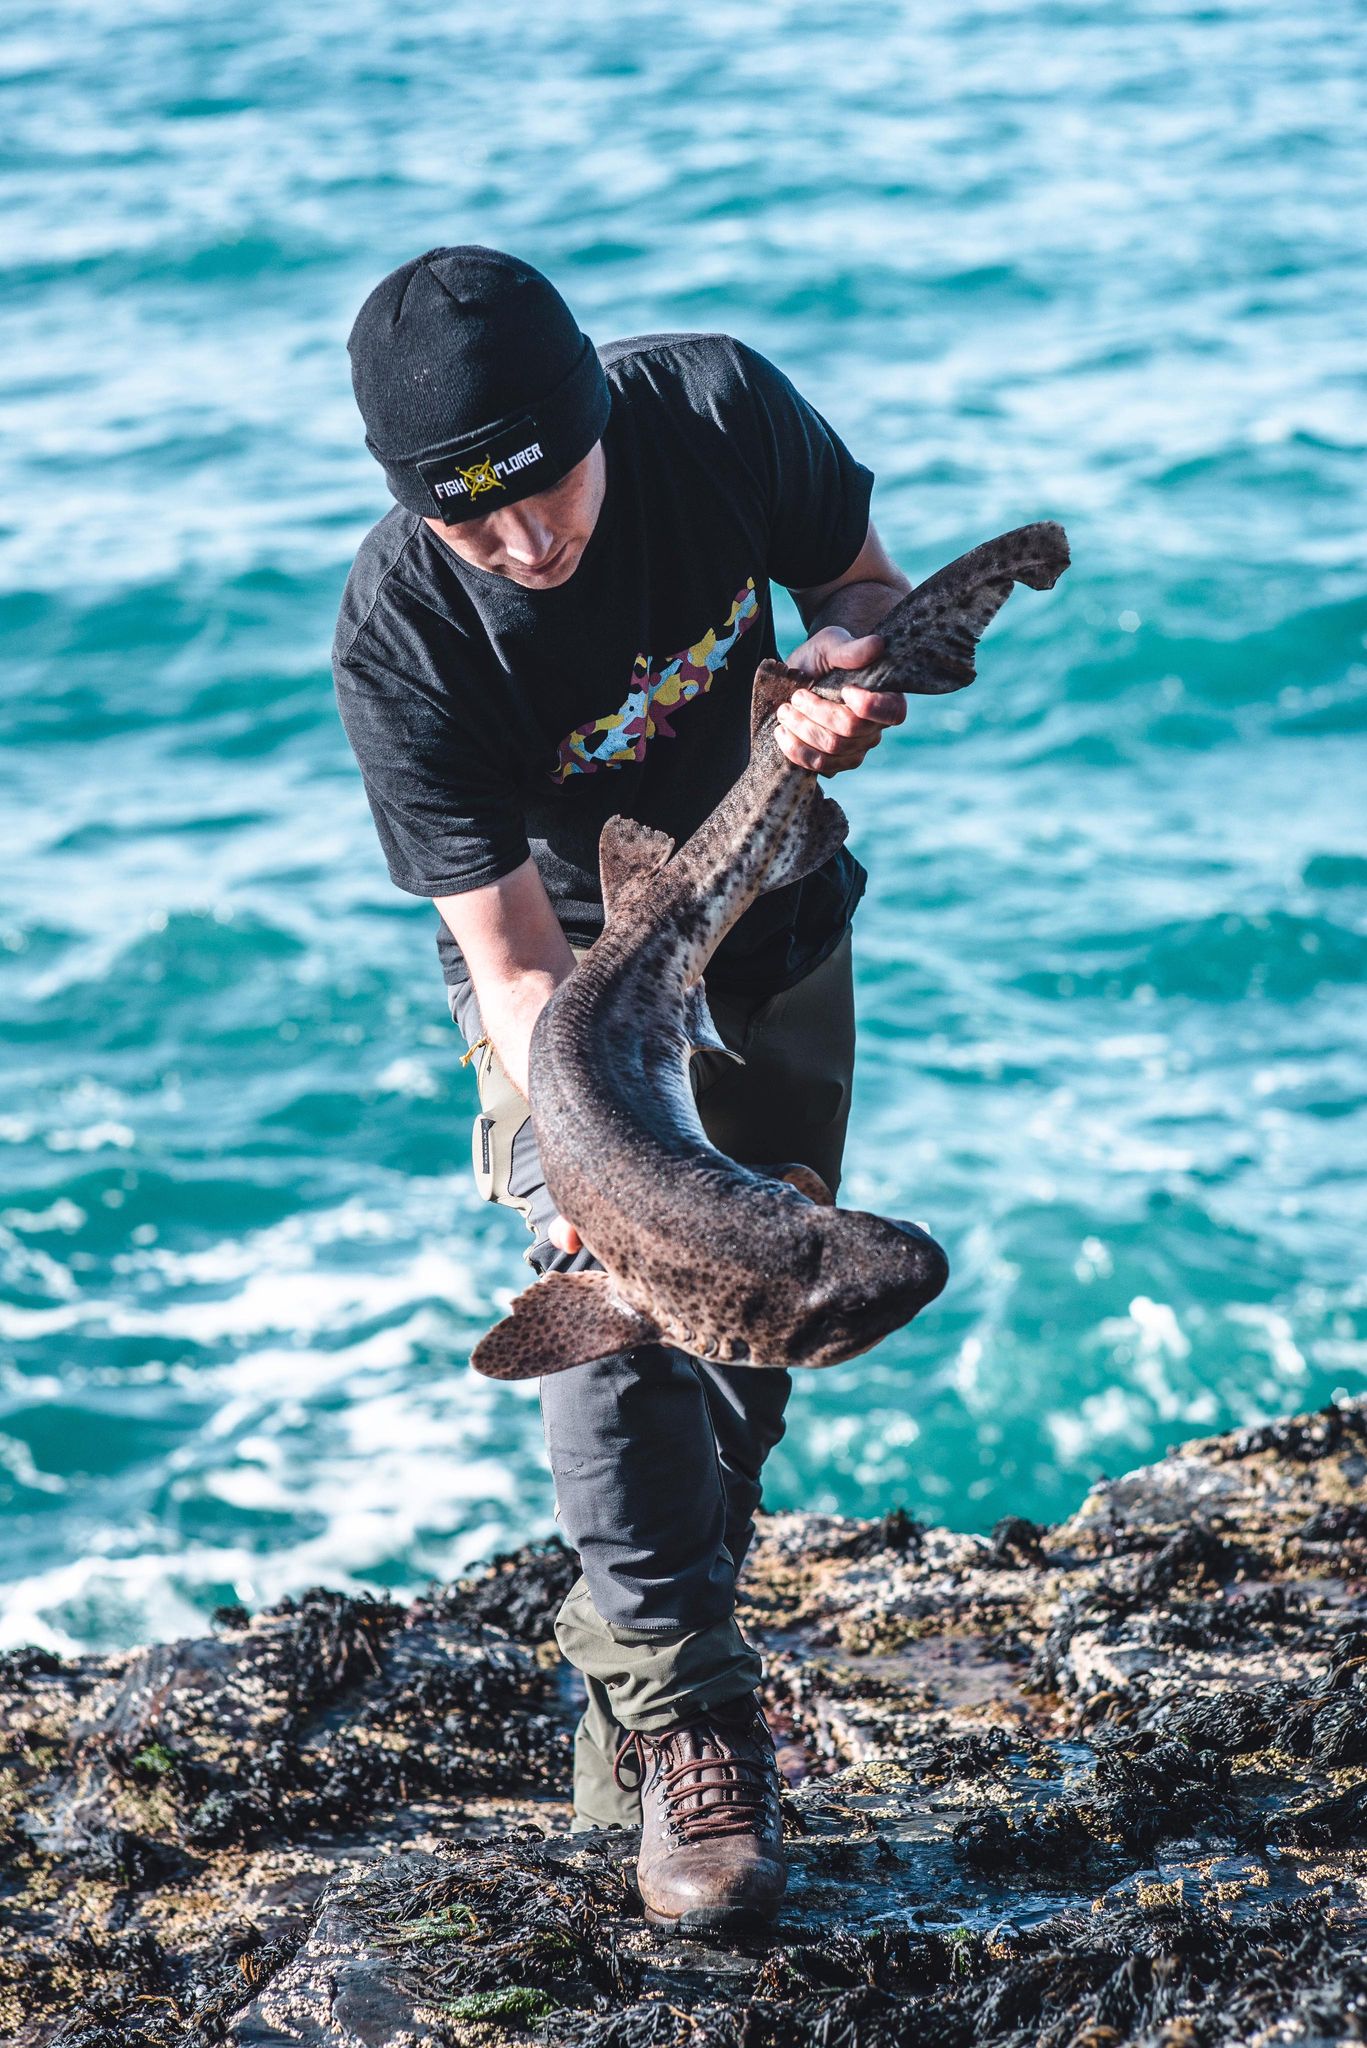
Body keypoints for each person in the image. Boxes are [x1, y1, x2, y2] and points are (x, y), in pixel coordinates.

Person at [333, 246, 913, 1934]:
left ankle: (648, 1664)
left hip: (771, 916)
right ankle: (692, 1733)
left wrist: (847, 681)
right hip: (570, 994)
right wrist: (602, 1179)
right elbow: (510, 968)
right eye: (470, 522)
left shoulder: (718, 410)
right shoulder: (403, 638)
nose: (527, 544)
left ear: (600, 414)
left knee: (752, 1346)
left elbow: (861, 595)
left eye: (548, 488)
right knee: (618, 1320)